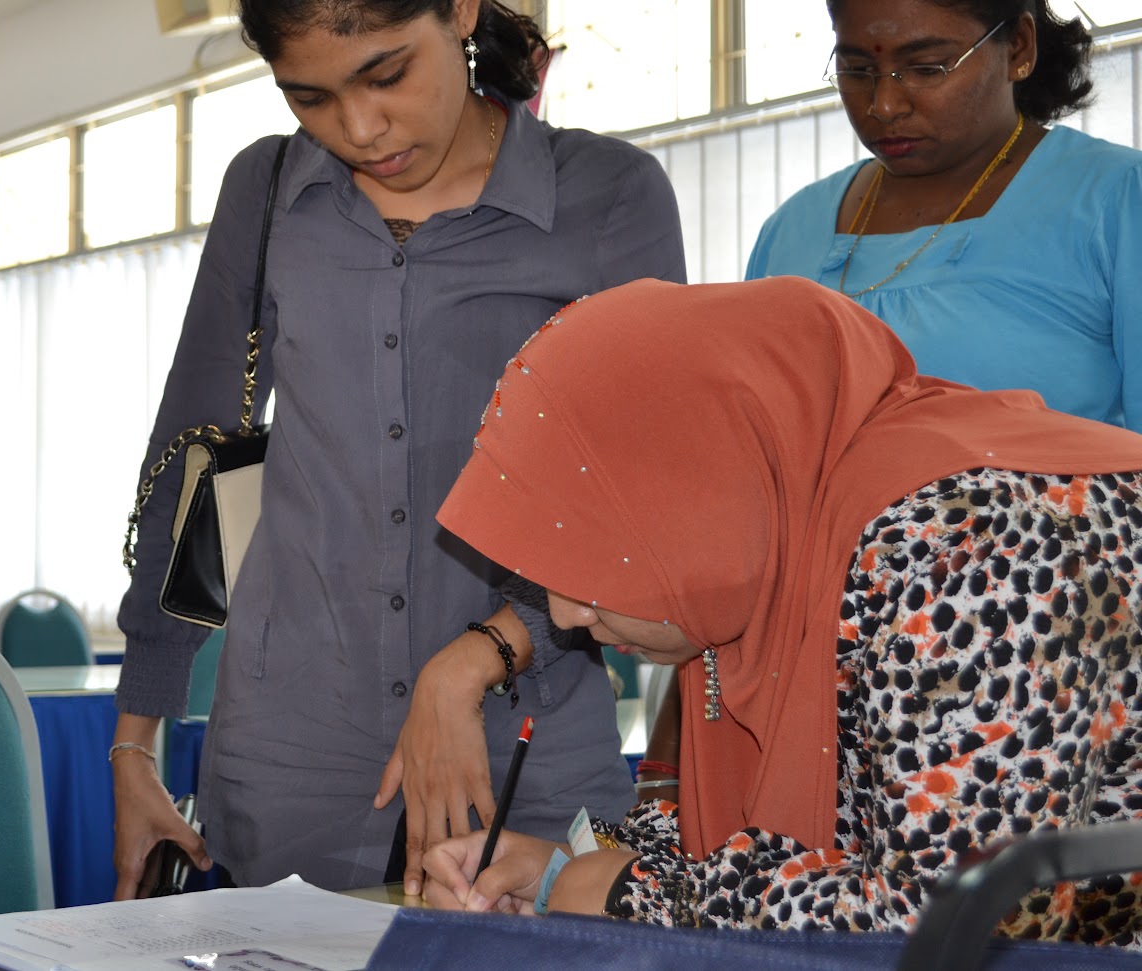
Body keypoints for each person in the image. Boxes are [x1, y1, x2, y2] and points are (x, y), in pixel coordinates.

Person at [111, 0, 686, 898]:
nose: (360, 129)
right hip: (289, 751)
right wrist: (134, 741)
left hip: (524, 745)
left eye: (386, 75)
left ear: (459, 1)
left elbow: (644, 502)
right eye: (311, 97)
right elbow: (203, 455)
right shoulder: (266, 192)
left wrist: (474, 659)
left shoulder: (608, 198)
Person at [422, 276, 1142, 943]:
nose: (567, 613)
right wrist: (565, 869)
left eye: (598, 553)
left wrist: (635, 893)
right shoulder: (780, 529)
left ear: (699, 495)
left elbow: (963, 917)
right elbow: (837, 826)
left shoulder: (970, 550)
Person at [745, 0, 1142, 433]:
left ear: (1018, 48)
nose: (884, 104)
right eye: (858, 69)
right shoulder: (791, 229)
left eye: (926, 67)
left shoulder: (1113, 201)